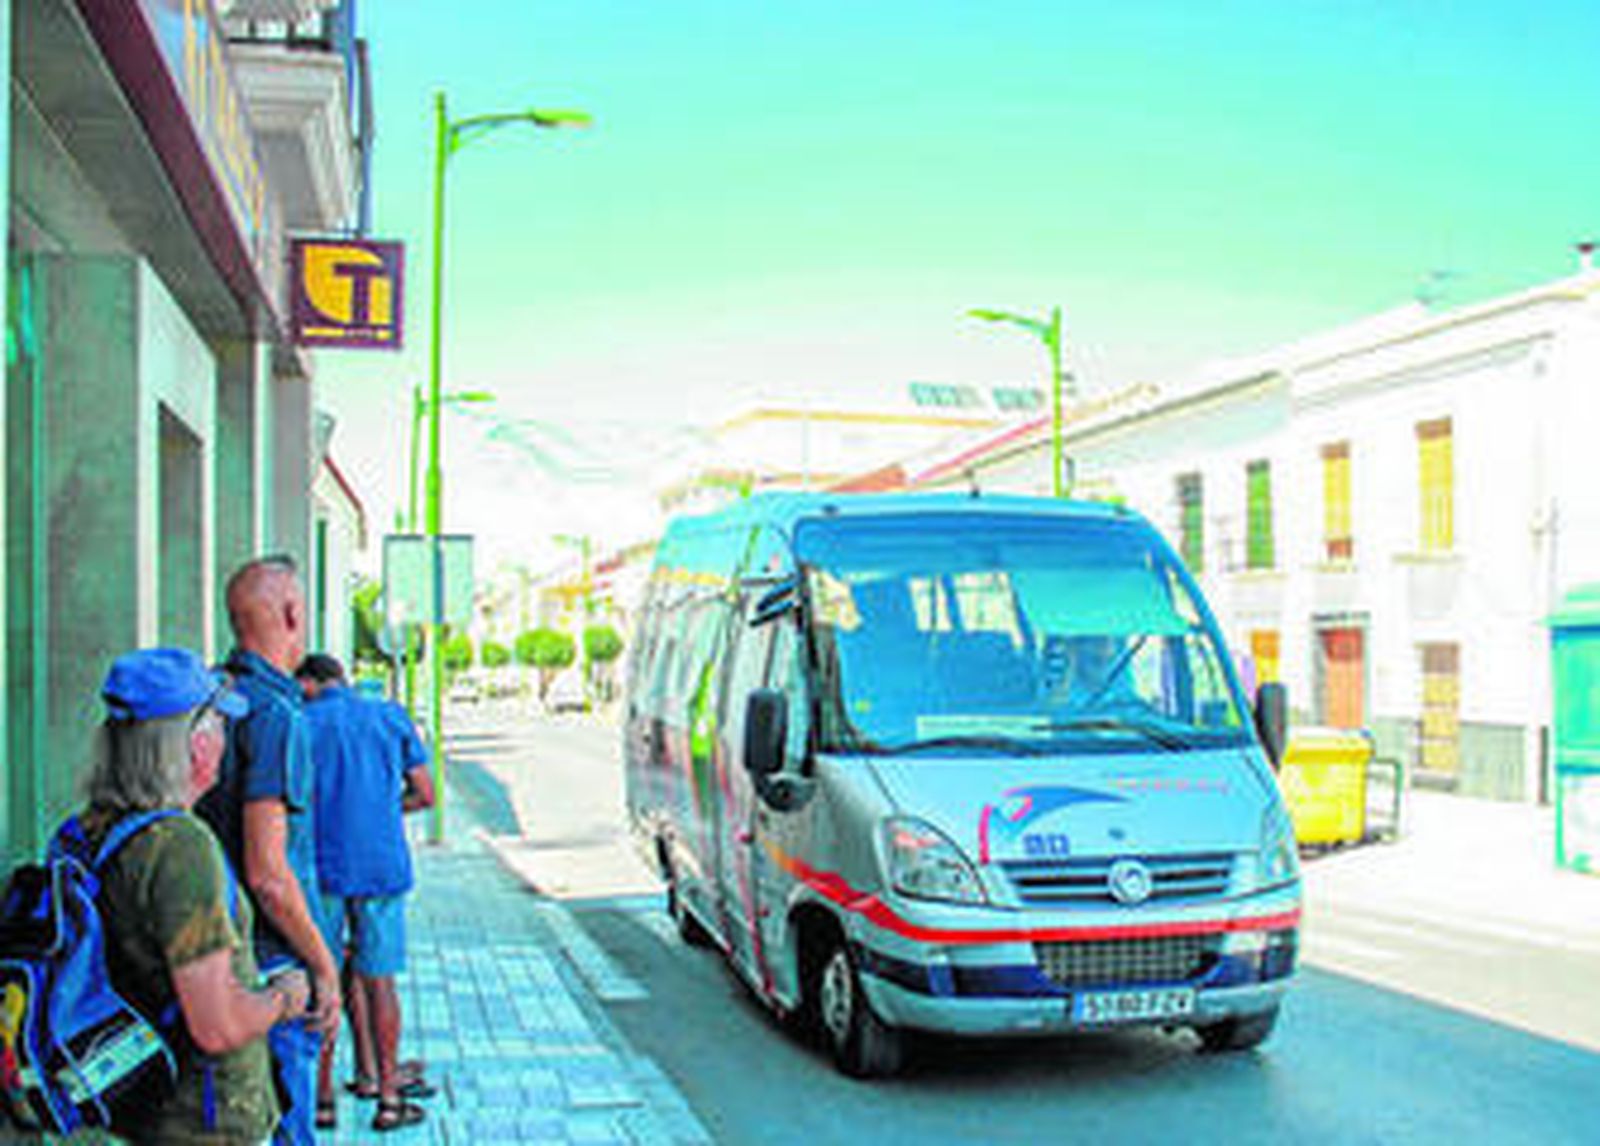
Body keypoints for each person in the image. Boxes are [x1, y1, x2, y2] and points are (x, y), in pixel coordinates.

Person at [88, 647, 311, 1144]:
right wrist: (285, 997)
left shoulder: (92, 828)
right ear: (194, 743)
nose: (224, 738)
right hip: (204, 1123)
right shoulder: (181, 849)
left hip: (140, 1110)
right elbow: (218, 1026)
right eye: (218, 722)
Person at [196, 556, 340, 1146]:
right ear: (292, 613)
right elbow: (268, 873)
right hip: (272, 973)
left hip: (211, 964)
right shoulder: (276, 715)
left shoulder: (210, 696)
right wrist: (325, 967)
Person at [296, 653, 436, 1133]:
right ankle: (389, 1098)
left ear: (309, 683)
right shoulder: (390, 716)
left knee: (323, 980)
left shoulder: (301, 722)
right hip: (380, 867)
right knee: (380, 982)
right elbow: (425, 793)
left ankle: (322, 1099)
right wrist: (382, 808)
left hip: (322, 869)